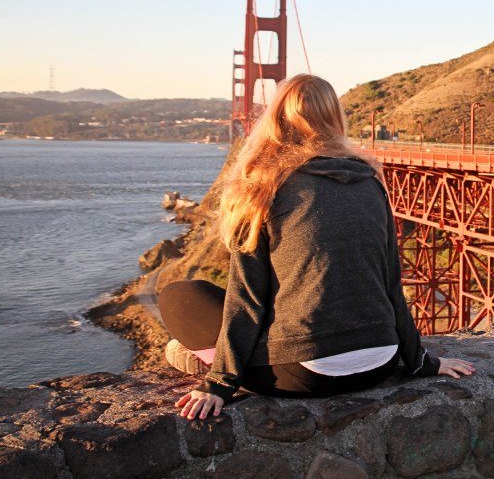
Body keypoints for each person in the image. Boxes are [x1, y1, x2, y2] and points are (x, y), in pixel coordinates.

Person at [158, 74, 474, 420]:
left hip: (300, 375)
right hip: (381, 362)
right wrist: (422, 363)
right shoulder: (371, 182)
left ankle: (200, 358)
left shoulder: (263, 187)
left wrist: (219, 384)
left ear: (275, 120)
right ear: (335, 118)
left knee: (179, 296)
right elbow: (391, 285)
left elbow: (247, 298)